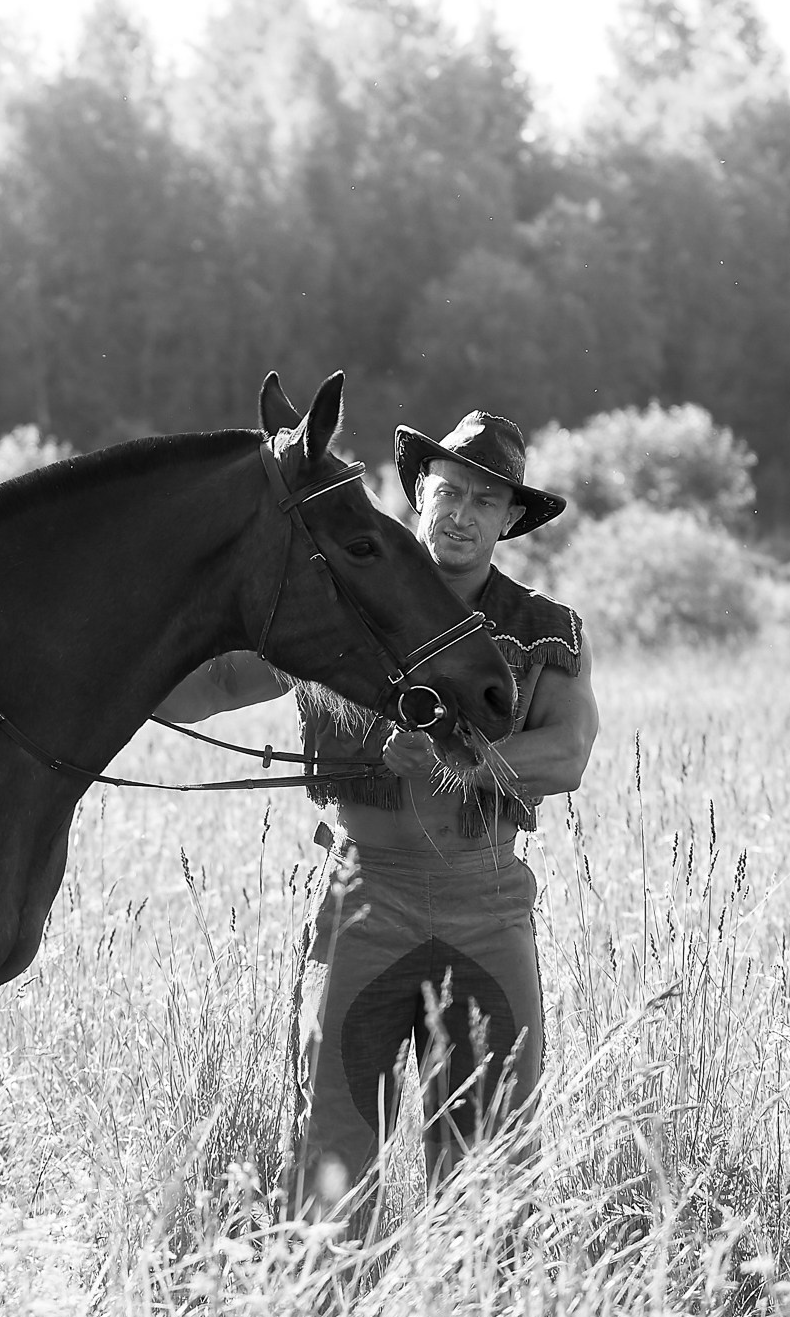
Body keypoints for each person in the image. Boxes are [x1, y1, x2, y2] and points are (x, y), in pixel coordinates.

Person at [155, 410, 599, 1233]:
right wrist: (119, 678)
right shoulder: (341, 594)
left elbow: (569, 752)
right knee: (329, 1154)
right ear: (419, 495)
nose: (462, 512)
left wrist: (457, 758)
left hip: (490, 907)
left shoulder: (543, 627)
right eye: (448, 491)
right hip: (363, 905)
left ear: (511, 519)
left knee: (492, 1171)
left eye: (485, 499)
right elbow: (216, 686)